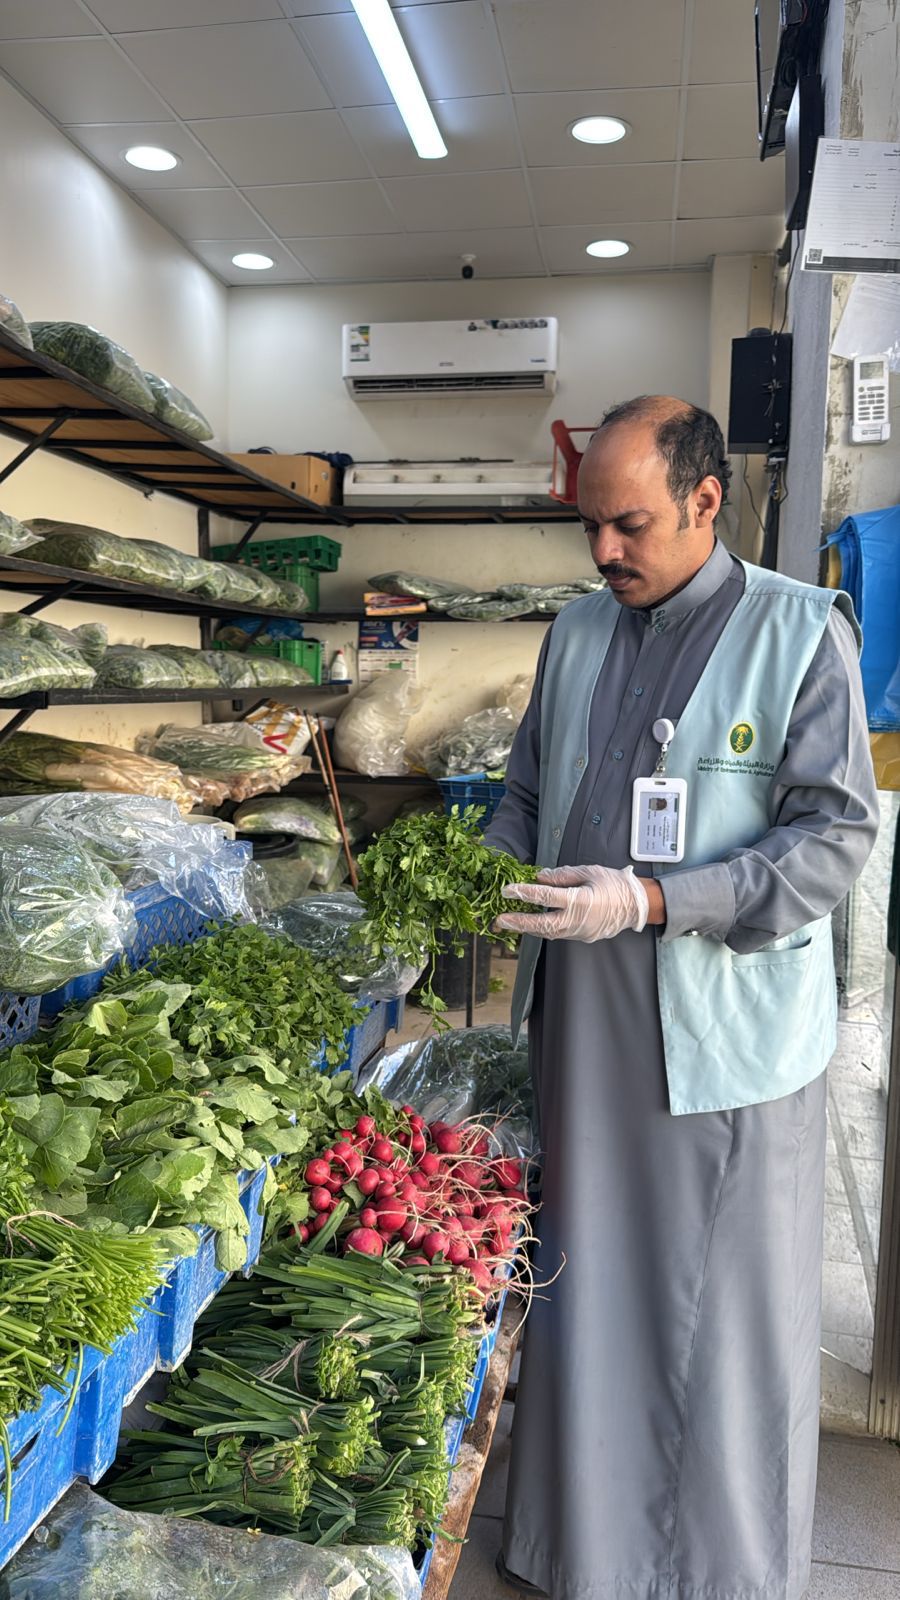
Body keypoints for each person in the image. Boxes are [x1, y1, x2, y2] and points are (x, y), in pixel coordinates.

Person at [484, 396, 879, 1600]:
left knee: (719, 1319)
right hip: (582, 1024)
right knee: (583, 1283)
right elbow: (525, 795)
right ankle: (576, 1550)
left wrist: (655, 900)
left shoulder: (800, 633)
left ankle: (717, 1573)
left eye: (631, 525)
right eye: (589, 527)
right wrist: (477, 874)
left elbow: (833, 839)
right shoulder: (576, 632)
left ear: (707, 501)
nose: (605, 551)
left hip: (721, 1042)